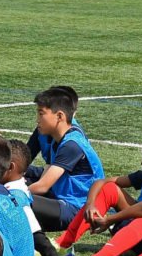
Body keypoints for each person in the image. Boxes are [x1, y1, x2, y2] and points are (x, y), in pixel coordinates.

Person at [23, 85, 106, 236]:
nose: (37, 119)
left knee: (16, 200)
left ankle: (58, 244)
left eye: (41, 114)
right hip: (62, 196)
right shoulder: (59, 138)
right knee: (18, 189)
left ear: (60, 116)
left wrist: (8, 192)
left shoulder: (72, 145)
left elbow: (42, 186)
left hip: (77, 209)